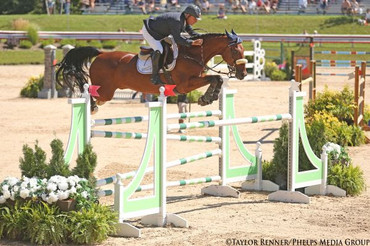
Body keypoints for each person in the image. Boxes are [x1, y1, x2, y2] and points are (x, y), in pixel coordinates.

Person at [142, 4, 203, 85]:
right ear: (188, 15)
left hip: (159, 33)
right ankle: (154, 77)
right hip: (150, 31)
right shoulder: (177, 21)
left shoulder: (183, 19)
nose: (196, 21)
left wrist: (202, 37)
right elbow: (178, 39)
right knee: (159, 50)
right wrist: (191, 43)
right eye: (195, 18)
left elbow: (191, 32)